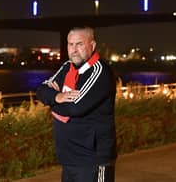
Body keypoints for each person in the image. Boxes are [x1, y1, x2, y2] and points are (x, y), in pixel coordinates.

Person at [36, 26, 117, 182]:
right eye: (70, 44)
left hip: (92, 159)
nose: (73, 50)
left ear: (92, 46)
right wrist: (58, 96)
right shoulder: (68, 67)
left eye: (79, 44)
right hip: (69, 157)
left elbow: (75, 108)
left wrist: (51, 101)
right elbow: (41, 90)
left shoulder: (99, 72)